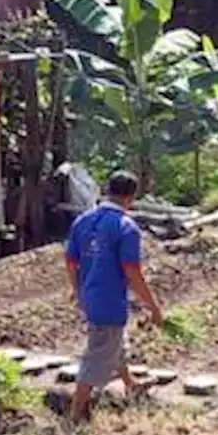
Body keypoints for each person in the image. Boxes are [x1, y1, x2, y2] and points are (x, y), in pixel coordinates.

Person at [64, 170, 165, 422]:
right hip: (110, 300)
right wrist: (154, 307)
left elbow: (70, 260)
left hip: (90, 295)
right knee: (99, 353)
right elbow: (132, 271)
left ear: (107, 190)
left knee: (114, 343)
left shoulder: (83, 220)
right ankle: (77, 410)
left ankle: (130, 384)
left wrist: (77, 291)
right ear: (131, 197)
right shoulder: (125, 226)